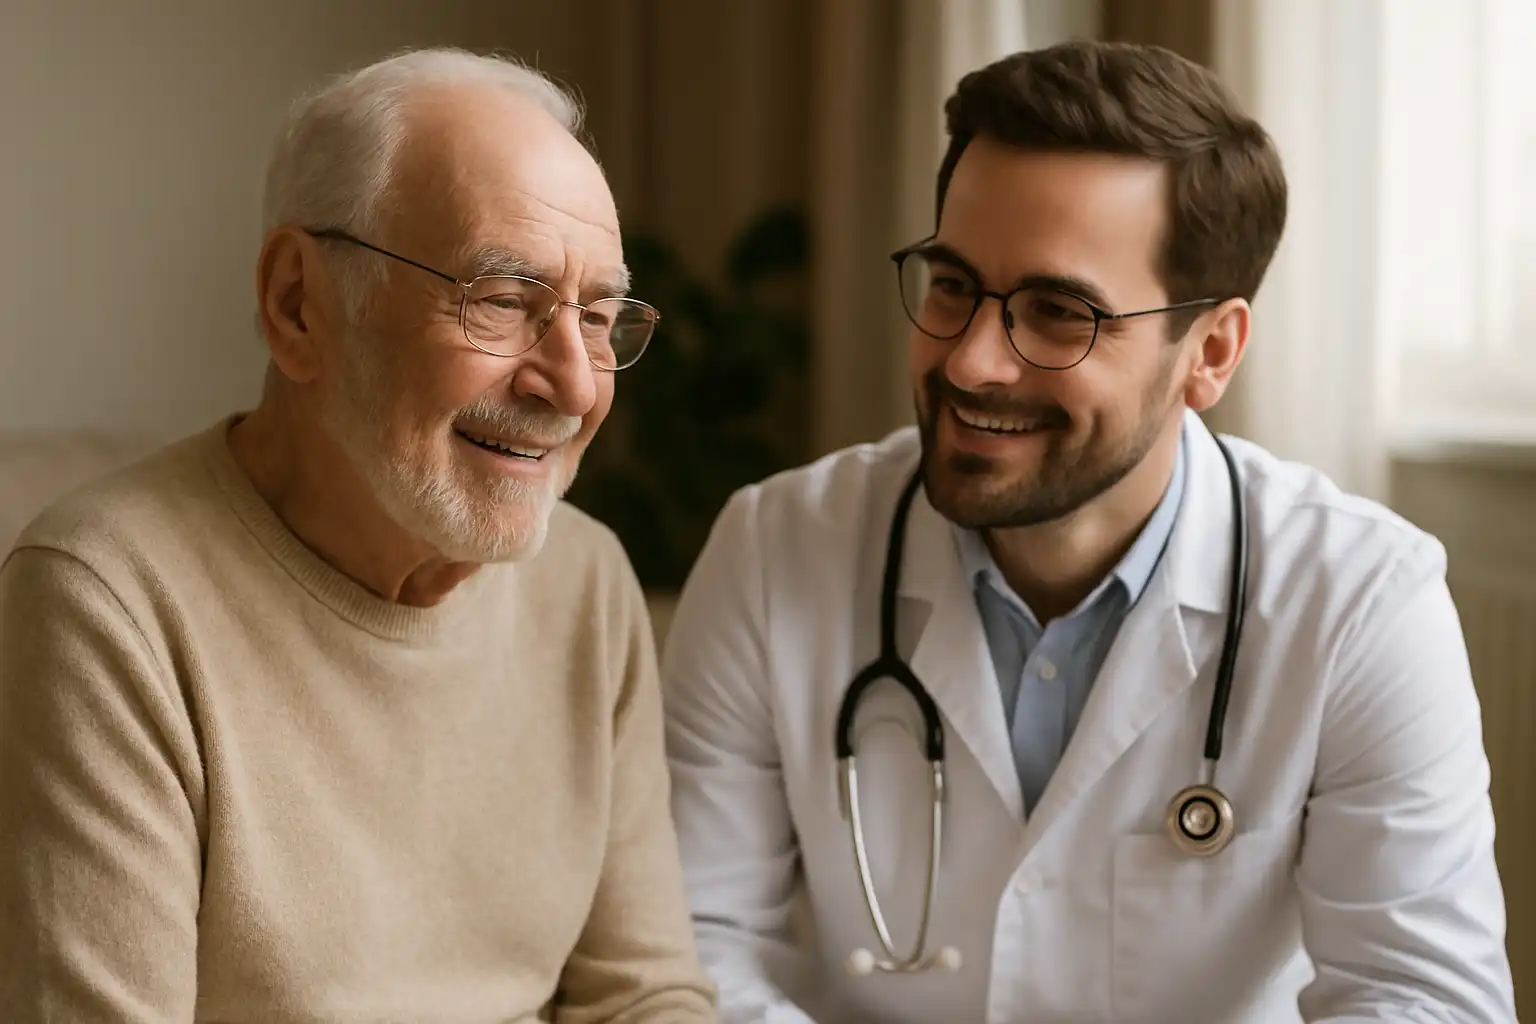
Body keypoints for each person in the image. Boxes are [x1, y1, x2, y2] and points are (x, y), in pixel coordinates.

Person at [661, 40, 1515, 1023]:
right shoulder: (775, 550)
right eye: (951, 286)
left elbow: (1425, 1000)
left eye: (1059, 313)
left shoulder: (1361, 598)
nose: (974, 362)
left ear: (1211, 351)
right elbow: (691, 955)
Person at [0, 48, 717, 1022]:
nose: (579, 385)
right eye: (504, 299)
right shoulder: (106, 597)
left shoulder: (586, 581)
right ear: (299, 304)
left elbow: (644, 997)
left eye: (598, 317)